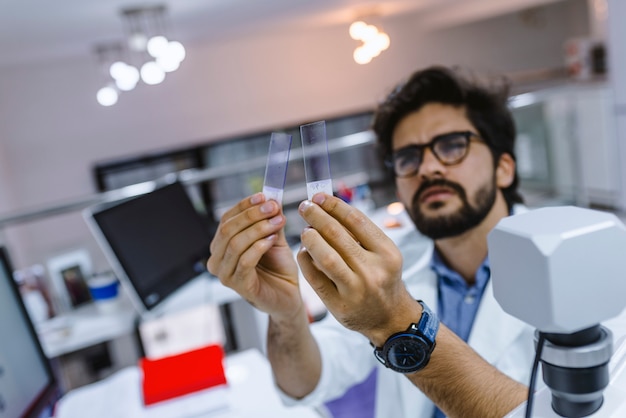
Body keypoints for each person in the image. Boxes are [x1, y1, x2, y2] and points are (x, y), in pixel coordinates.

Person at [207, 65, 535, 418]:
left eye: (451, 146)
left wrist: (394, 321)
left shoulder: (577, 268)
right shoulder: (394, 262)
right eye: (408, 158)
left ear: (504, 167)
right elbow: (308, 382)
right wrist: (286, 314)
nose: (427, 168)